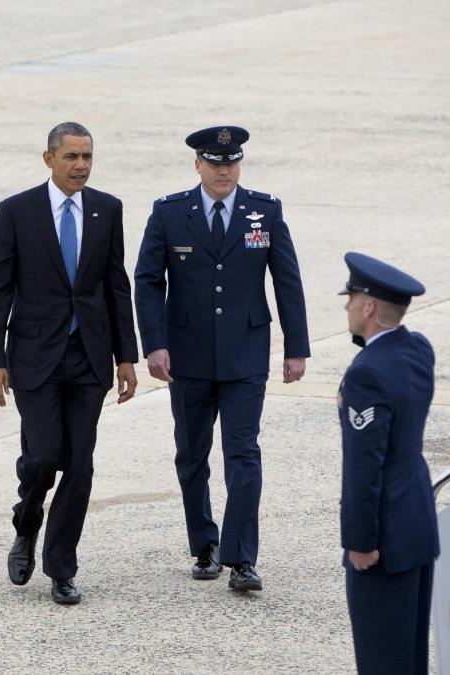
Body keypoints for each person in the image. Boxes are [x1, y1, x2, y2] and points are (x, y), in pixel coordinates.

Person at [134, 126, 309, 592]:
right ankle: (205, 545)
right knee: (192, 455)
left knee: (243, 454)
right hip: (186, 357)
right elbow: (148, 280)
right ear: (198, 165)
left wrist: (297, 347)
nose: (223, 170)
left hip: (245, 356)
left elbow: (287, 281)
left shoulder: (264, 211)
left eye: (231, 162)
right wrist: (153, 343)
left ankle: (242, 558)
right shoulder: (170, 213)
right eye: (214, 162)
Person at [0, 122, 139, 604]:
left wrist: (126, 355)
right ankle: (26, 523)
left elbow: (116, 285)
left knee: (80, 463)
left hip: (88, 356)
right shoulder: (16, 212)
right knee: (44, 455)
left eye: (87, 156)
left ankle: (61, 568)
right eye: (71, 157)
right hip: (33, 356)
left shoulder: (107, 209)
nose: (81, 166)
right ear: (48, 159)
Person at [337, 252, 439, 675]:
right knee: (410, 658)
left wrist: (360, 540)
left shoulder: (367, 374)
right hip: (416, 525)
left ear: (369, 307)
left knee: (382, 661)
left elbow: (365, 467)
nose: (346, 308)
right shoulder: (417, 351)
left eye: (351, 299)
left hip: (384, 540)